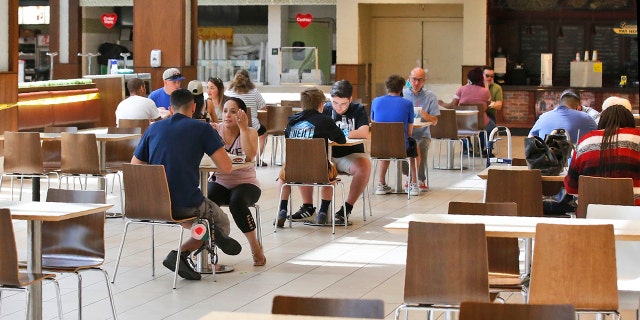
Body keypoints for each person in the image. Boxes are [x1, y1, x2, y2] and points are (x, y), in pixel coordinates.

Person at [131, 88, 241, 281]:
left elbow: (135, 167)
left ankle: (203, 232)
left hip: (151, 205)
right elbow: (226, 167)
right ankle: (181, 253)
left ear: (170, 109)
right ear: (193, 107)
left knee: (200, 222)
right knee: (220, 223)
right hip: (185, 204)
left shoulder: (153, 128)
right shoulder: (202, 129)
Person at [207, 97, 265, 266]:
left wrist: (243, 128)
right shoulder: (214, 130)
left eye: (233, 111)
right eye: (225, 111)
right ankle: (209, 249)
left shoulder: (250, 132)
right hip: (220, 180)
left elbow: (249, 156)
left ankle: (255, 247)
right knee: (206, 203)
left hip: (246, 183)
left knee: (237, 202)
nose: (227, 115)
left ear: (242, 114)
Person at [275, 87, 346, 227]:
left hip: (294, 171)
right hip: (319, 171)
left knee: (282, 177)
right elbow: (341, 139)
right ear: (321, 104)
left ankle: (282, 209)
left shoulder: (291, 122)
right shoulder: (325, 121)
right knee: (329, 174)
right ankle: (323, 212)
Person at [564, 104, 640, 205]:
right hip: (634, 214)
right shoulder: (637, 138)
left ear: (601, 122)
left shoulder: (585, 141)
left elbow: (571, 188)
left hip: (591, 214)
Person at [322, 80, 371, 224]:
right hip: (327, 155)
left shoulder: (358, 109)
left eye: (343, 104)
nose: (339, 107)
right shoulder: (326, 108)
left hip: (349, 155)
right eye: (335, 102)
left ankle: (346, 209)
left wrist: (342, 133)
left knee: (364, 166)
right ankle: (314, 209)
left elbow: (363, 132)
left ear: (350, 99)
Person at [370, 74, 419, 196]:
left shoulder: (376, 101)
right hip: (401, 147)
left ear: (387, 87)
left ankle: (381, 183)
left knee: (386, 145)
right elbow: (409, 132)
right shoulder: (407, 104)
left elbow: (373, 122)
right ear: (402, 88)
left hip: (379, 147)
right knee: (414, 147)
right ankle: (413, 184)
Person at [439, 67, 495, 156]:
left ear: (469, 79)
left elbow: (452, 105)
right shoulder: (485, 91)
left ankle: (467, 147)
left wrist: (441, 103)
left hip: (464, 123)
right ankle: (485, 148)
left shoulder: (462, 89)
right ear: (481, 79)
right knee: (492, 127)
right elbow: (487, 105)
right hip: (480, 122)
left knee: (461, 128)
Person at [402, 67, 439, 192]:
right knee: (400, 146)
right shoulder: (403, 94)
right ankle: (409, 175)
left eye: (420, 80)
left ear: (424, 81)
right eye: (414, 79)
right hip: (406, 133)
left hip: (423, 133)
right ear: (409, 79)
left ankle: (420, 178)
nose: (416, 83)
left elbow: (435, 121)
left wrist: (425, 115)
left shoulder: (430, 96)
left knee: (421, 146)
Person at [224, 69, 268, 165]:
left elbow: (224, 105)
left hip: (232, 123)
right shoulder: (254, 91)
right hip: (251, 124)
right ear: (248, 79)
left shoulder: (229, 91)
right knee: (263, 134)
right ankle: (257, 158)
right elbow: (263, 107)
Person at [528, 89, 597, 144]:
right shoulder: (586, 118)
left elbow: (530, 139)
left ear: (559, 103)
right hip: (573, 160)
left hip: (547, 159)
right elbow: (599, 138)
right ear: (578, 106)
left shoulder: (543, 117)